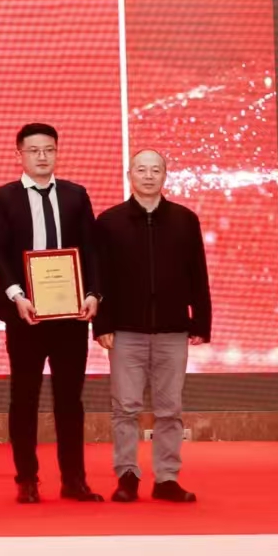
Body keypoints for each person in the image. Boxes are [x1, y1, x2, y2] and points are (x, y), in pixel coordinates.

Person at [0, 122, 104, 504]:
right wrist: (16, 295)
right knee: (24, 398)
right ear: (19, 154)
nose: (42, 156)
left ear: (57, 152)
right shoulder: (3, 197)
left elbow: (91, 249)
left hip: (70, 314)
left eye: (49, 149)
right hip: (25, 314)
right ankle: (27, 479)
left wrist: (93, 293)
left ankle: (74, 480)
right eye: (33, 150)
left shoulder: (75, 195)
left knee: (70, 400)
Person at [95, 149, 212, 504]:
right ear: (129, 175)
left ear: (165, 175)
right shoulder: (109, 221)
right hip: (125, 331)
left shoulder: (185, 220)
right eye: (141, 170)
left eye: (155, 170)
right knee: (125, 409)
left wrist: (201, 321)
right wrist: (102, 324)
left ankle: (167, 478)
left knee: (169, 410)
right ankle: (127, 476)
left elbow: (198, 273)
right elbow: (100, 277)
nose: (148, 176)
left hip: (173, 330)